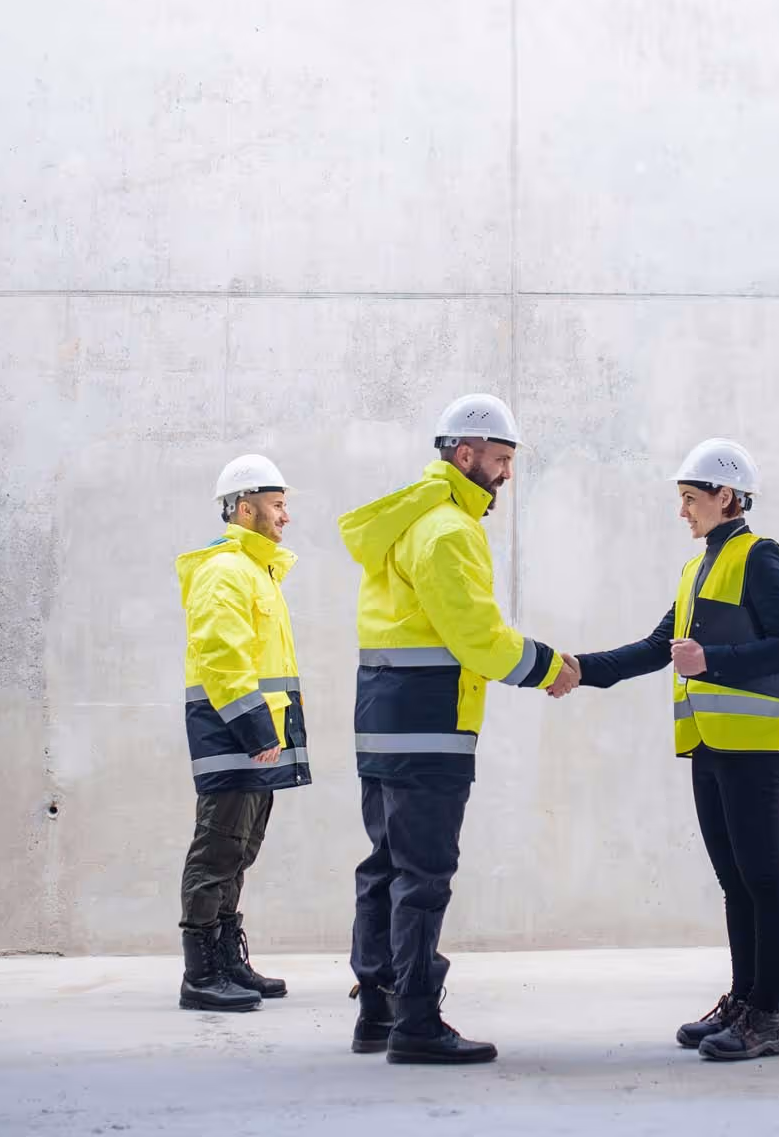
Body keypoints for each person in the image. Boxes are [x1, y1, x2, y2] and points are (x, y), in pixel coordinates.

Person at [339, 393, 580, 1065]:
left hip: (384, 725)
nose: (506, 473)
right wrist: (547, 667)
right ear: (465, 454)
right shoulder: (447, 529)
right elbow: (477, 636)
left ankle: (376, 1011)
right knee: (424, 874)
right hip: (429, 728)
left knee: (385, 866)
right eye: (501, 459)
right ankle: (416, 1021)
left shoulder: (407, 522)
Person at [565, 439, 779, 1061]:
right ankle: (743, 999)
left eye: (690, 499)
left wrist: (713, 661)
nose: (683, 512)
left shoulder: (760, 555)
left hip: (751, 747)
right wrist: (576, 668)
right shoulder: (698, 568)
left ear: (726, 496)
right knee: (734, 881)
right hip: (708, 743)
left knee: (762, 878)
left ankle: (768, 1018)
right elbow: (656, 646)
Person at [172, 454, 314, 1012]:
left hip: (255, 734)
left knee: (240, 850)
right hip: (233, 733)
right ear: (245, 508)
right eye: (278, 506)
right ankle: (201, 973)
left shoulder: (258, 572)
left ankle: (229, 961)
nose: (286, 517)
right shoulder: (225, 571)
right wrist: (255, 725)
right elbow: (220, 656)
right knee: (217, 851)